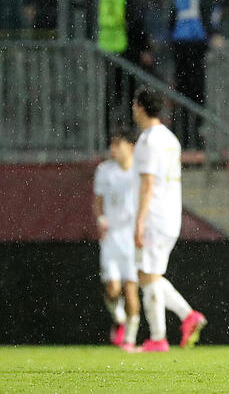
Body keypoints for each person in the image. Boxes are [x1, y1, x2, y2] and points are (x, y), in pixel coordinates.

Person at [132, 86, 207, 352]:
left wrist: (139, 220)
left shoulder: (148, 141)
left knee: (149, 276)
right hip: (170, 213)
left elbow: (147, 184)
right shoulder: (170, 139)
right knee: (147, 274)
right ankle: (188, 316)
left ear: (140, 107)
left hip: (154, 215)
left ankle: (158, 337)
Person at [93, 130, 141, 351]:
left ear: (130, 146)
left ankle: (129, 340)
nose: (114, 150)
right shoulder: (104, 171)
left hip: (132, 238)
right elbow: (98, 202)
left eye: (118, 145)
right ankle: (118, 318)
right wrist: (101, 219)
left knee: (131, 288)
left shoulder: (140, 171)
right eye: (112, 145)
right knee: (112, 289)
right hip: (112, 237)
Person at [169, 0, 225, 149]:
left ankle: (182, 135)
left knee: (183, 92)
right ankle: (194, 137)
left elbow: (172, 17)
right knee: (197, 92)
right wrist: (213, 34)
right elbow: (206, 10)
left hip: (180, 43)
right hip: (195, 42)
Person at [97, 0, 153, 136]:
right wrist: (144, 47)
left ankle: (107, 134)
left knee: (111, 94)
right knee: (130, 93)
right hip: (125, 46)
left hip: (108, 47)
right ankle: (129, 133)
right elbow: (135, 22)